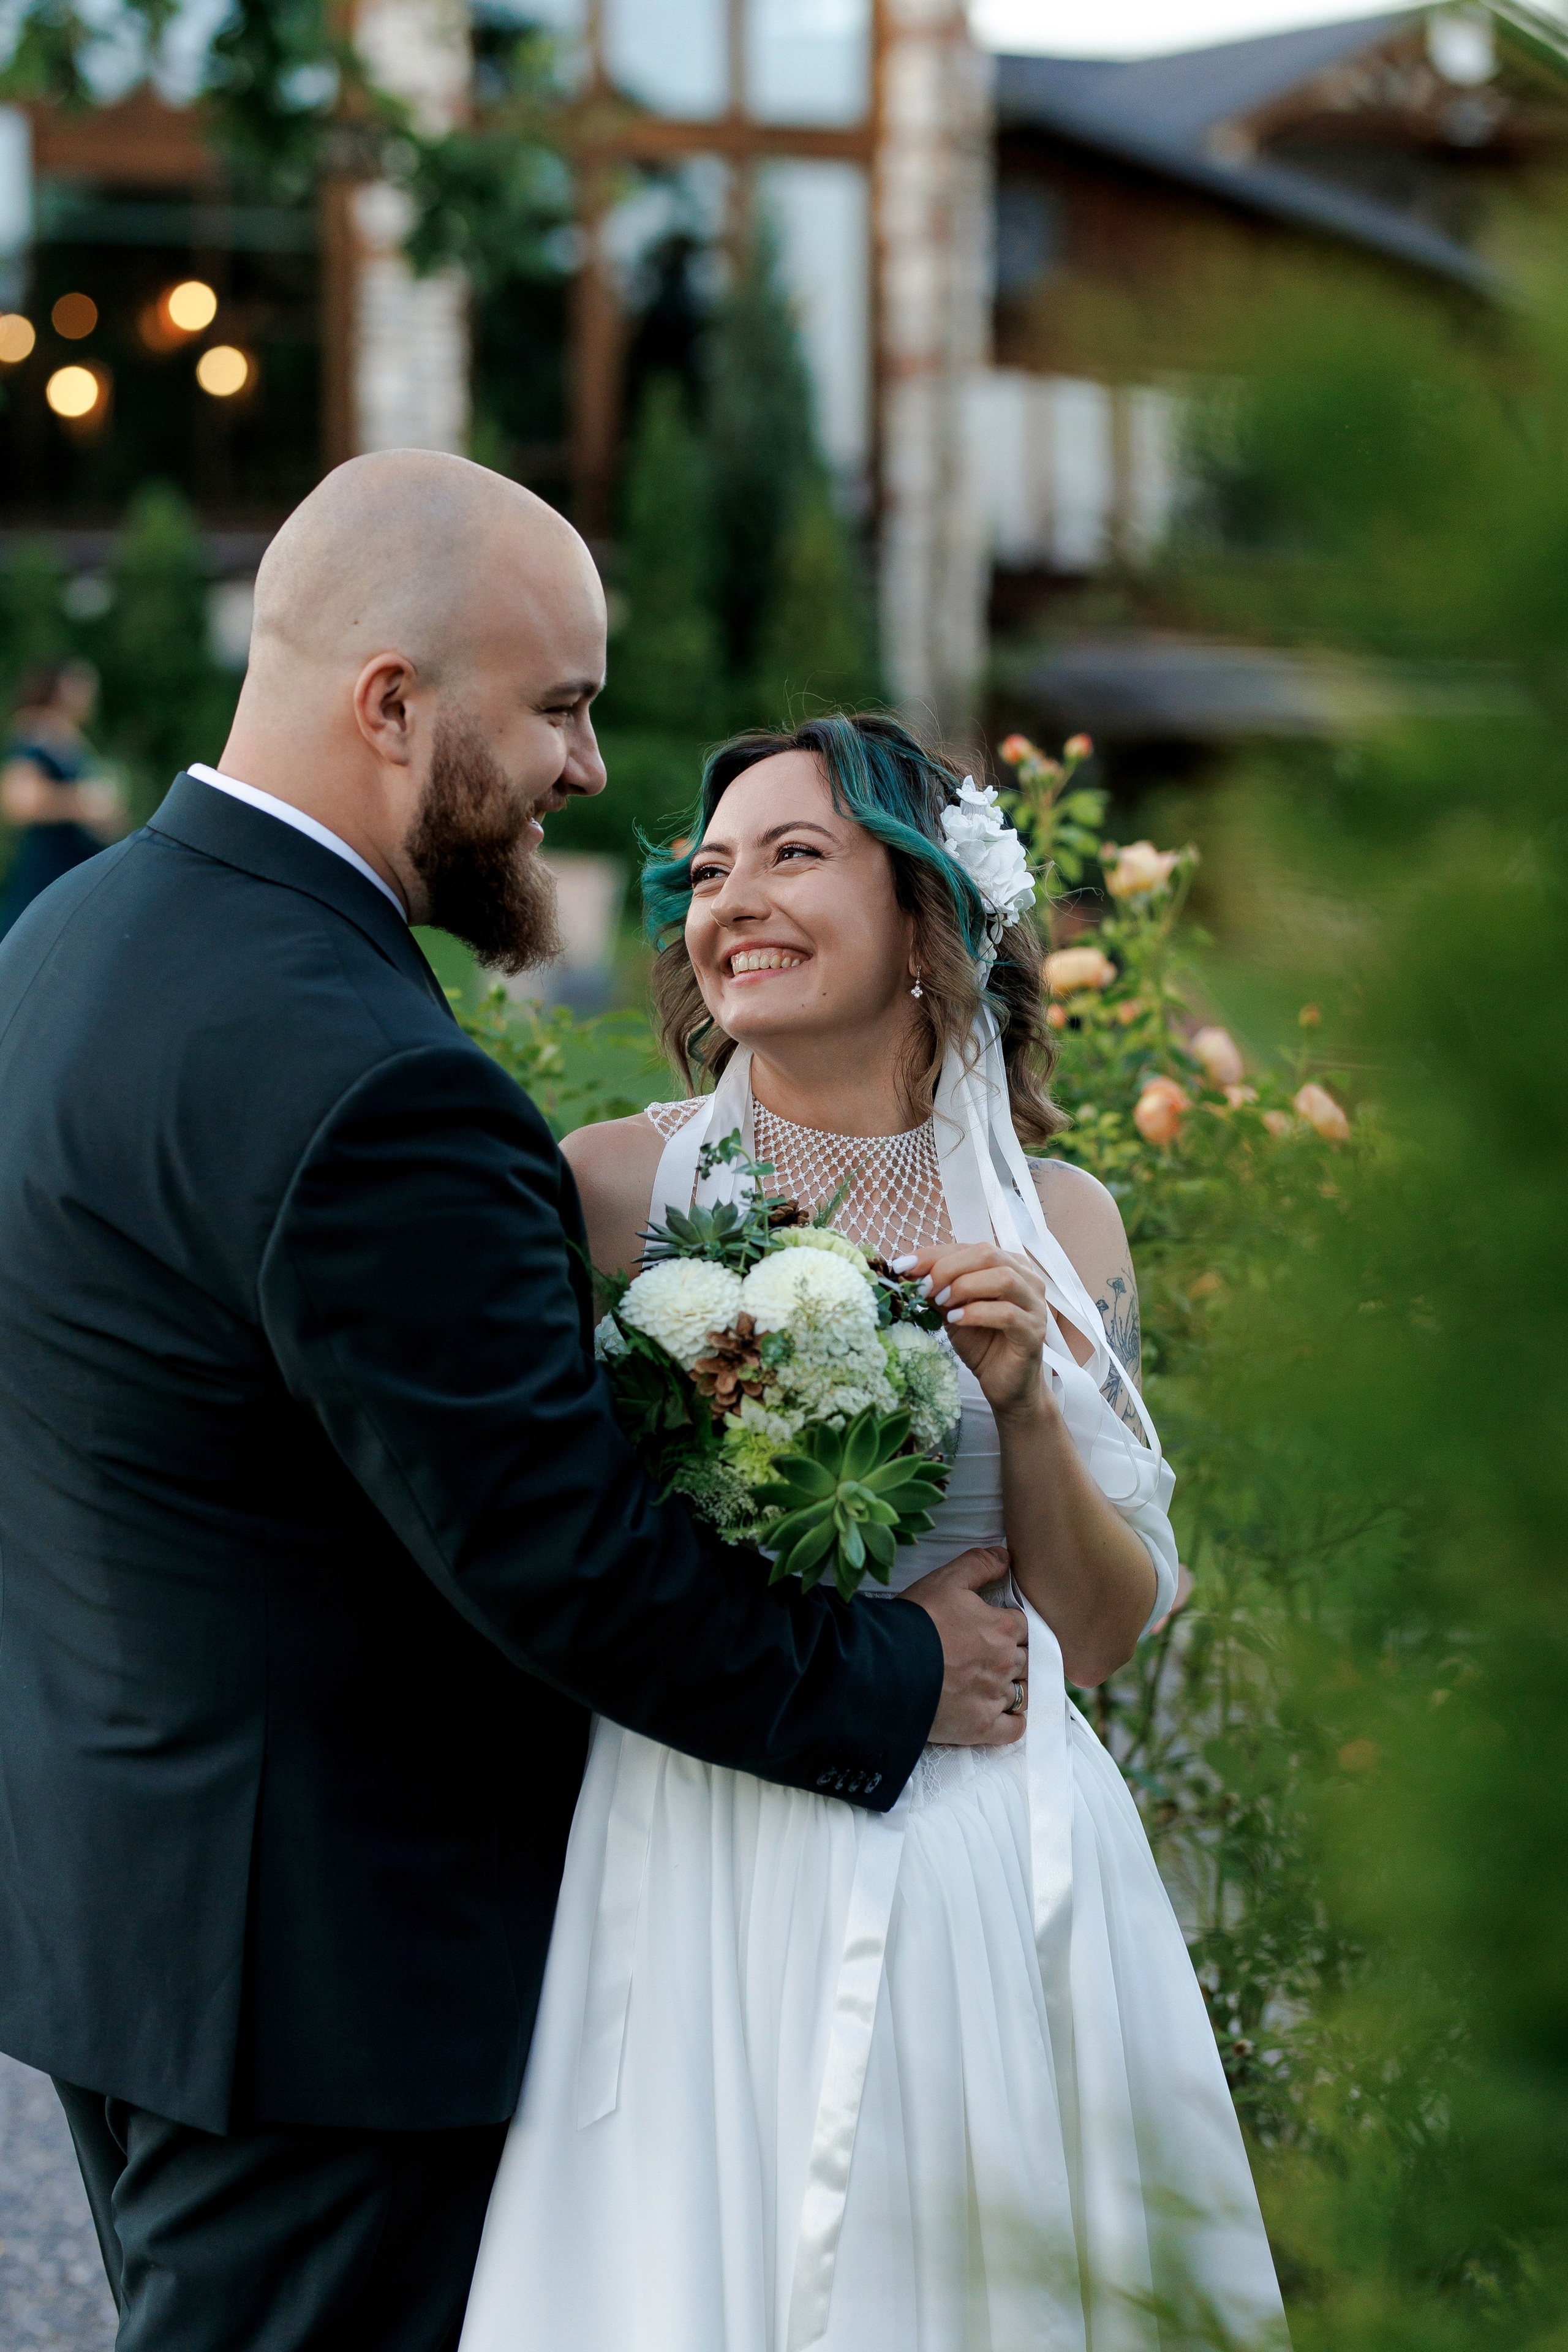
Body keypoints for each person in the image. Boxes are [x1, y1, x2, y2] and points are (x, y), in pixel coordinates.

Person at [0, 457, 1026, 2352]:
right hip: (336, 1984)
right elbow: (555, 1552)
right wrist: (898, 1672)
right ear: (390, 703)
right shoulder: (371, 1075)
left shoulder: (65, 946)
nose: (584, 767)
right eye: (556, 703)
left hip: (128, 1913)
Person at [459, 715, 1289, 2352]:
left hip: (998, 1857)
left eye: (793, 855)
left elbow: (1106, 1632)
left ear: (927, 921)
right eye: (707, 873)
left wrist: (1028, 1407)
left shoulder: (1059, 1221)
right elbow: (547, 1543)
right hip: (705, 1845)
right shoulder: (609, 1195)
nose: (731, 901)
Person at [0, 657, 123, 937]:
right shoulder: (38, 732)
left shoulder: (69, 735)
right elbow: (19, 800)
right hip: (49, 866)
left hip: (72, 864)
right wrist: (84, 803)